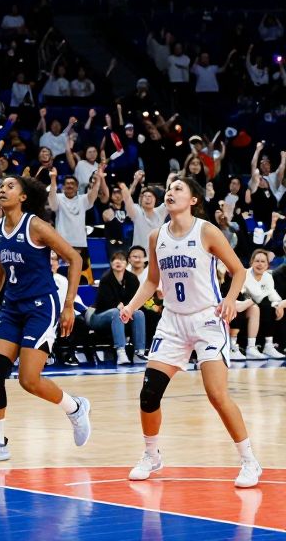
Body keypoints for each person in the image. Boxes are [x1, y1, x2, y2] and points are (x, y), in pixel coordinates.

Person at [119, 177, 261, 488]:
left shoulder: (206, 230)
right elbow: (152, 281)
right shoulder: (157, 237)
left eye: (178, 189)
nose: (169, 193)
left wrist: (229, 299)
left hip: (206, 320)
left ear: (194, 199)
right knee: (149, 394)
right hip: (172, 322)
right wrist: (131, 306)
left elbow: (239, 270)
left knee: (216, 394)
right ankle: (151, 455)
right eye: (167, 189)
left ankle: (250, 461)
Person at [0, 175, 92, 463]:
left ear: (23, 197)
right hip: (12, 307)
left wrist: (69, 304)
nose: (2, 189)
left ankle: (75, 408)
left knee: (28, 379)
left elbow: (74, 258)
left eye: (10, 186)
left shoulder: (36, 226)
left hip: (41, 306)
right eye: (0, 186)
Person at [90, 250, 145, 365]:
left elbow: (134, 300)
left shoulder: (132, 279)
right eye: (115, 259)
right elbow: (105, 303)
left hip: (124, 313)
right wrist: (121, 307)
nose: (118, 262)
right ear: (111, 263)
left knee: (139, 313)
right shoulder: (105, 279)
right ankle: (121, 352)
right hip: (100, 316)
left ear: (127, 263)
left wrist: (125, 307)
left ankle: (139, 353)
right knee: (116, 312)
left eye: (122, 259)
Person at [241, 248, 286, 359]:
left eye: (263, 262)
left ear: (267, 265)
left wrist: (278, 305)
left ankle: (268, 345)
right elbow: (251, 295)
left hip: (259, 305)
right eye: (257, 261)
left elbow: (272, 293)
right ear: (251, 262)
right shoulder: (244, 274)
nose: (260, 264)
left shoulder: (267, 276)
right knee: (265, 304)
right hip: (245, 305)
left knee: (271, 306)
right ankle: (251, 347)